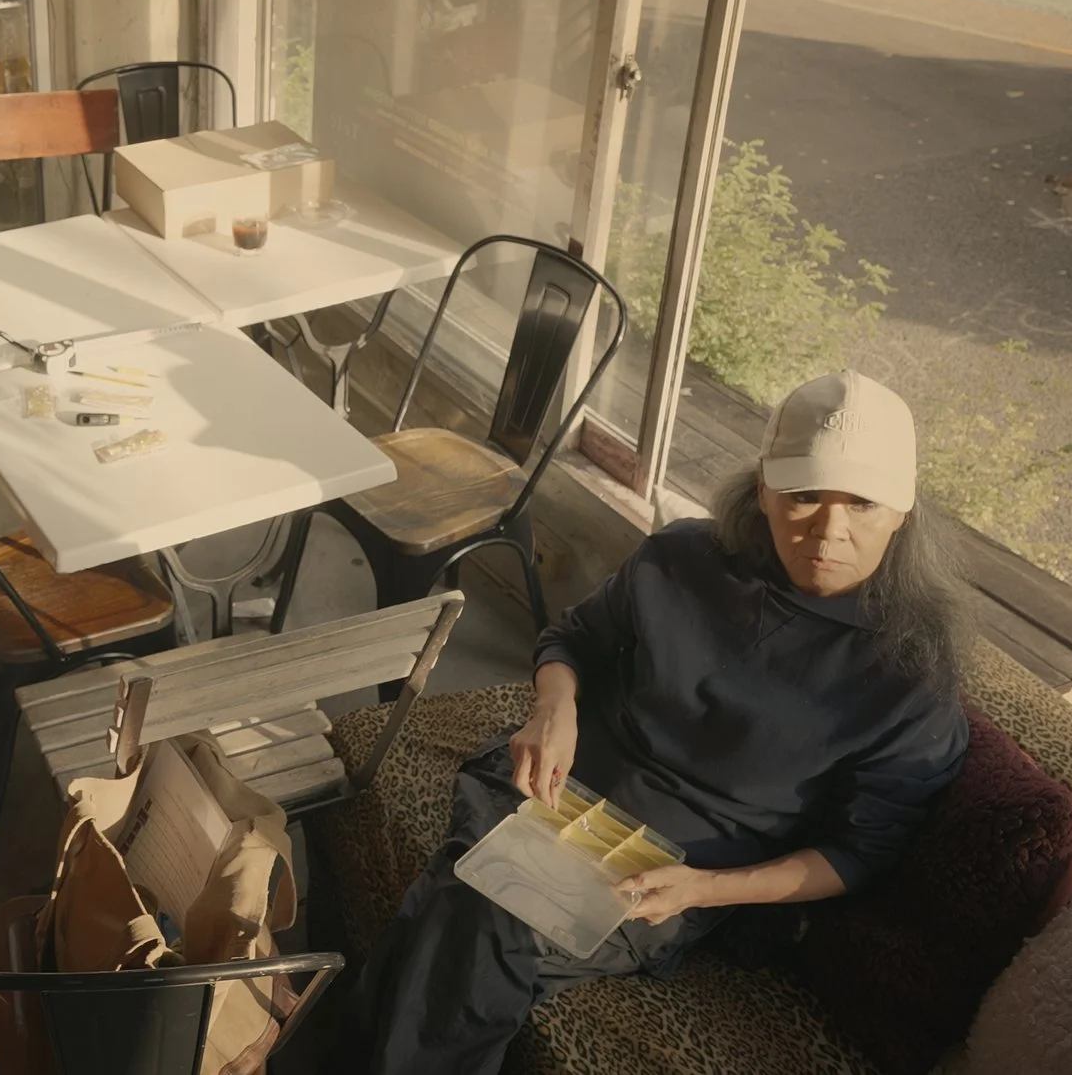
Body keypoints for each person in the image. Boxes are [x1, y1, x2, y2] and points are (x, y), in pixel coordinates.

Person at [314, 370, 969, 1075]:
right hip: (550, 791)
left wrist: (704, 891)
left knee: (475, 909)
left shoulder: (909, 675)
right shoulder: (684, 558)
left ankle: (309, 1049)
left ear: (902, 512)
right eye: (804, 495)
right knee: (466, 903)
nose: (829, 531)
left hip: (665, 871)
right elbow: (574, 640)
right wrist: (553, 709)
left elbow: (858, 852)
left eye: (863, 504)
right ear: (763, 490)